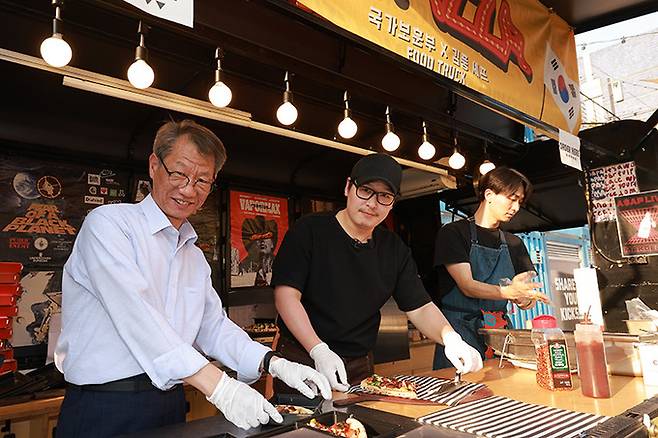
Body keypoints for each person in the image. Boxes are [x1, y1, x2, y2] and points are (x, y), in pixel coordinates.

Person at [54, 120, 330, 437]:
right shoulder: (110, 225)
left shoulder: (193, 255)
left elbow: (212, 326)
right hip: (104, 405)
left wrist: (273, 362)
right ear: (154, 166)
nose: (188, 189)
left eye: (202, 180)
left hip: (170, 401)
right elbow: (136, 315)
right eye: (179, 173)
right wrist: (221, 387)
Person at [272, 153, 482, 392]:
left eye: (384, 196)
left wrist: (450, 339)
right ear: (348, 187)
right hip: (302, 359)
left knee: (358, 426)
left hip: (359, 365)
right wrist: (318, 349)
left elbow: (420, 306)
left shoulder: (394, 249)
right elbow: (286, 296)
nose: (372, 203)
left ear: (392, 203)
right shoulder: (309, 231)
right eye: (366, 190)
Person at [432, 166, 550, 370]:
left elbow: (527, 298)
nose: (515, 207)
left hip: (500, 335)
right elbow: (467, 286)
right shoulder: (454, 233)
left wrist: (524, 298)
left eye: (520, 201)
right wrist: (507, 292)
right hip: (460, 331)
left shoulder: (514, 244)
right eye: (512, 198)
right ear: (489, 195)